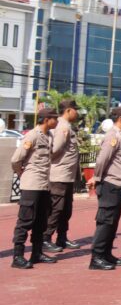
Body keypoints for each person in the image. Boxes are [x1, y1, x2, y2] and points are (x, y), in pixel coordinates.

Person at [9, 108, 58, 269]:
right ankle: (17, 256)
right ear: (46, 120)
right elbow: (16, 159)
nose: (57, 121)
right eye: (54, 118)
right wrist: (21, 173)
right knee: (25, 220)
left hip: (44, 184)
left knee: (41, 221)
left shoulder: (49, 136)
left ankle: (37, 253)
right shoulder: (32, 135)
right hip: (31, 184)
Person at [89, 106, 121, 271]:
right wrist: (96, 177)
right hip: (110, 184)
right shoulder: (113, 136)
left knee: (112, 222)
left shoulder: (120, 135)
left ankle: (106, 253)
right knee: (106, 221)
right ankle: (97, 257)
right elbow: (102, 159)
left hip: (118, 184)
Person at [43, 99, 80, 254]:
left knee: (66, 209)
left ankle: (62, 237)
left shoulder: (66, 126)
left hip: (67, 176)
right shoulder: (62, 127)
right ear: (68, 110)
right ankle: (45, 238)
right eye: (75, 110)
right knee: (56, 209)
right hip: (59, 175)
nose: (77, 113)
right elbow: (54, 150)